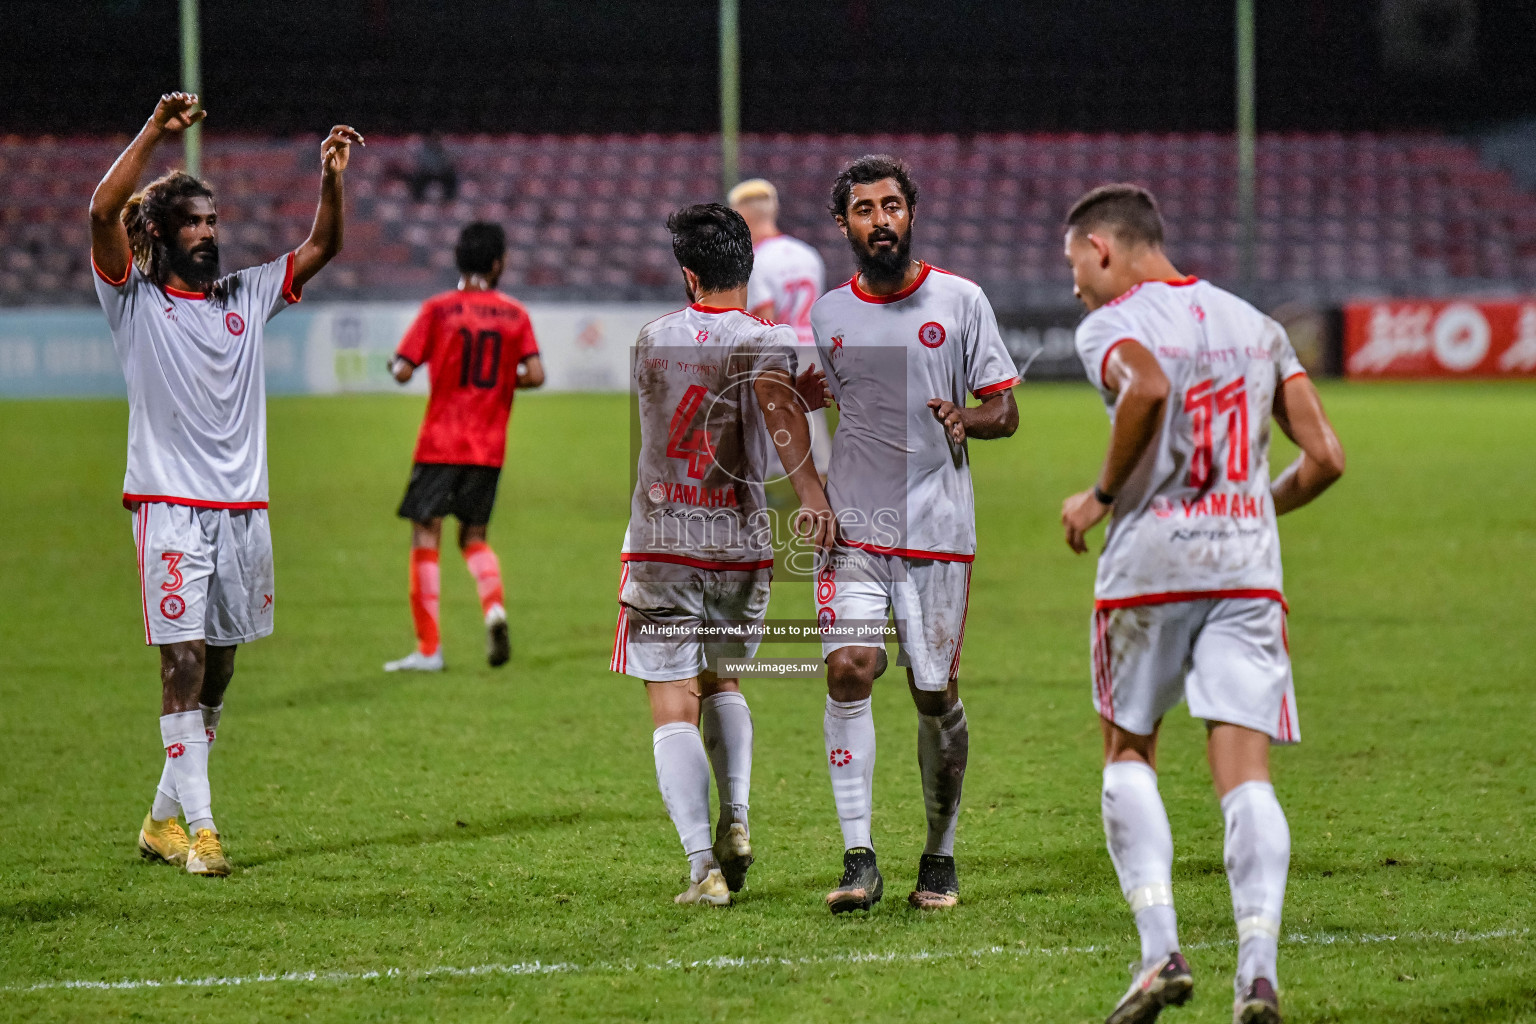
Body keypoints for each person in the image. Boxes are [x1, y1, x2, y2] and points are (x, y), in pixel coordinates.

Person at [1059, 184, 1345, 1024]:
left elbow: (1143, 388)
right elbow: (1325, 457)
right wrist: (1255, 508)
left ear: (1105, 250)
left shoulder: (1112, 325)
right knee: (1244, 773)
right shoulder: (1257, 326)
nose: (1075, 286)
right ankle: (1257, 969)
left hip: (1150, 567)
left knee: (1128, 751)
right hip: (1246, 570)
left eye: (1076, 265)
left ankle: (1160, 954)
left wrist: (1102, 494)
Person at [89, 92, 361, 877]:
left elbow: (322, 245)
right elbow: (103, 206)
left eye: (214, 220)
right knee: (180, 665)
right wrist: (152, 132)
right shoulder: (132, 301)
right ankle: (205, 834)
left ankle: (161, 820)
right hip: (170, 506)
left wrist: (331, 179)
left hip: (244, 512)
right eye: (196, 222)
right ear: (163, 233)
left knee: (222, 667)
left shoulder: (245, 296)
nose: (211, 232)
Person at [809, 156, 1020, 914]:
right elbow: (804, 402)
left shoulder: (961, 300)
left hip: (938, 529)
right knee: (849, 670)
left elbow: (1005, 409)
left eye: (892, 205)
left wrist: (970, 417)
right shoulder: (828, 316)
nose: (880, 220)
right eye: (864, 209)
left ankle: (941, 853)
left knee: (935, 695)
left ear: (911, 212)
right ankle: (859, 855)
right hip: (856, 527)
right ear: (845, 224)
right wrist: (809, 489)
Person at [612, 203, 835, 906]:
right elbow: (768, 404)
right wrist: (810, 491)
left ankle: (703, 866)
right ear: (749, 268)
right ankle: (736, 816)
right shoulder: (768, 341)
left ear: (688, 274)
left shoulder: (653, 339)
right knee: (725, 680)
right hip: (739, 541)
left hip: (662, 542)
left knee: (670, 696)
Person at [384, 222, 544, 672]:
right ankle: (493, 609)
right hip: (488, 448)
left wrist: (397, 364)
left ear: (459, 261)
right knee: (474, 537)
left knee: (425, 532)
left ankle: (429, 649)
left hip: (439, 443)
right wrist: (496, 386)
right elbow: (535, 375)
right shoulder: (515, 315)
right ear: (498, 264)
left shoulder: (439, 309)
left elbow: (401, 370)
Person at [728, 178, 832, 475]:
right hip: (811, 354)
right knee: (811, 445)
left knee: (762, 446)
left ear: (743, 216)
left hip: (778, 359)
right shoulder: (808, 254)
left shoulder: (754, 260)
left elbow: (764, 316)